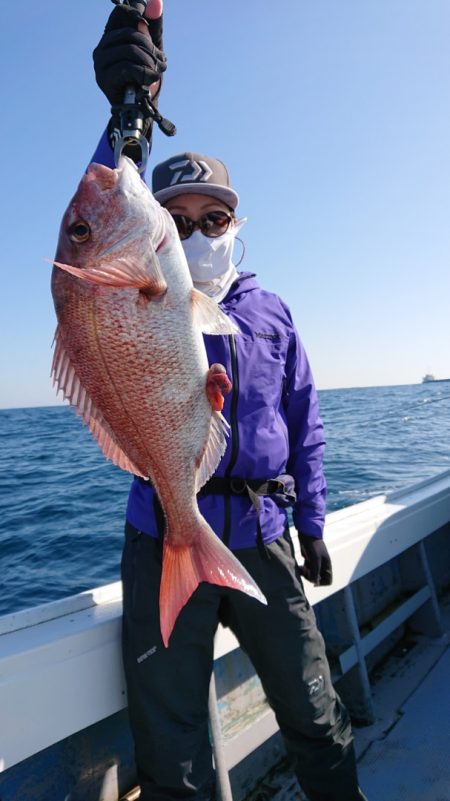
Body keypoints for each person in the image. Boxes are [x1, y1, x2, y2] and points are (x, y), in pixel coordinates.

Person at [92, 3, 368, 801]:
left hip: (261, 535)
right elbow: (101, 212)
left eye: (213, 218)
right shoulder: (147, 295)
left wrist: (312, 522)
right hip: (163, 534)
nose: (197, 232)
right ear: (154, 238)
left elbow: (305, 422)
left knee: (314, 708)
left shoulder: (271, 311)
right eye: (176, 224)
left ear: (236, 224)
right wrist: (126, 115)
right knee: (171, 742)